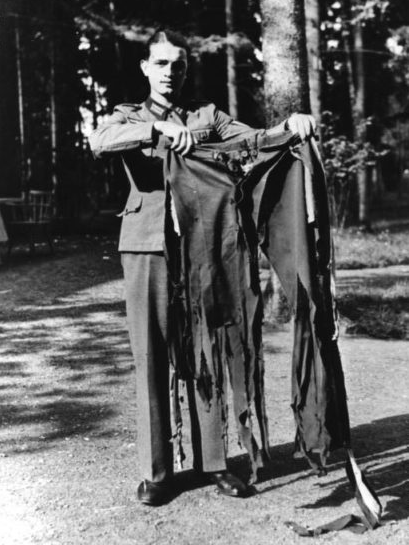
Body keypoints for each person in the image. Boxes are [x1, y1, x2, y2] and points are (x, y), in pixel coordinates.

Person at [89, 29, 315, 506]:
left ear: (186, 71)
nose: (170, 72)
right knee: (151, 355)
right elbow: (100, 140)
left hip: (202, 248)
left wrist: (290, 125)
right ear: (146, 68)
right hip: (147, 247)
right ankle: (157, 472)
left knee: (206, 348)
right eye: (162, 63)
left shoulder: (205, 117)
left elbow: (255, 140)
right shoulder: (128, 116)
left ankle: (214, 464)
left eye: (178, 65)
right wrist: (157, 130)